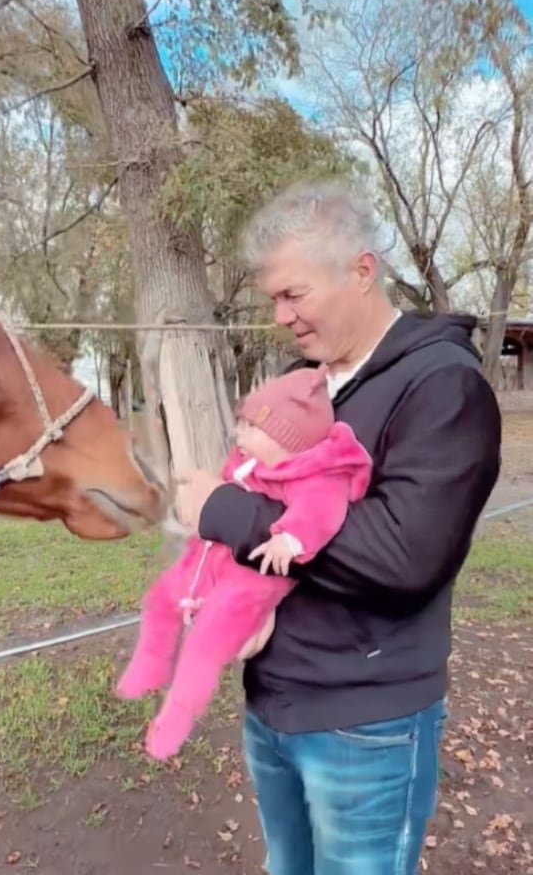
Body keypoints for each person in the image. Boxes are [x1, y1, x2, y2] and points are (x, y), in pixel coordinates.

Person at [173, 181, 502, 875]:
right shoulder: (304, 384)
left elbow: (404, 557)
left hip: (366, 724)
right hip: (272, 702)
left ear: (360, 270)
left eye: (294, 294)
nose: (280, 316)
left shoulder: (441, 385)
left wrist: (226, 514)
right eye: (272, 299)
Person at [116, 366, 372, 760]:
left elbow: (323, 510)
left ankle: (177, 716)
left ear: (288, 439)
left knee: (207, 640)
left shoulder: (316, 474)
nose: (239, 436)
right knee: (161, 596)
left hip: (254, 577)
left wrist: (291, 538)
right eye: (241, 425)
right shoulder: (249, 461)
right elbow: (223, 493)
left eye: (251, 428)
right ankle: (150, 664)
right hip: (214, 554)